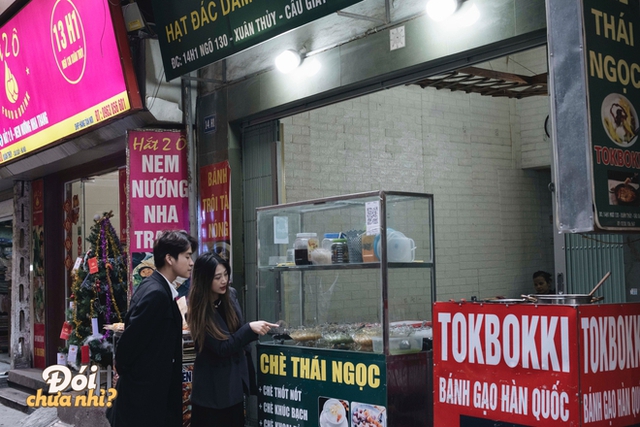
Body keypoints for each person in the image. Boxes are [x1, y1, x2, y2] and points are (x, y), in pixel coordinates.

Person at [107, 230, 198, 427]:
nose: (191, 262)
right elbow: (128, 347)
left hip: (150, 398)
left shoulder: (157, 287)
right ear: (169, 259)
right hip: (143, 402)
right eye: (187, 256)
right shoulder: (156, 294)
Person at [187, 252, 278, 427]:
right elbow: (222, 347)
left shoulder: (231, 295)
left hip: (234, 385)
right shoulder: (198, 310)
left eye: (226, 275)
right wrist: (249, 329)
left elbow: (236, 336)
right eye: (217, 277)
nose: (224, 281)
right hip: (211, 393)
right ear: (205, 280)